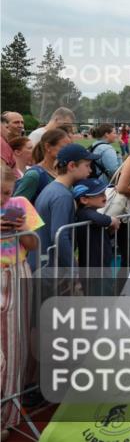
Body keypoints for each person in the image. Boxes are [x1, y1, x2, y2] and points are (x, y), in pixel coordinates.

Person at [1, 163, 43, 438]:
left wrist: (22, 228)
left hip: (16, 274)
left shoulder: (19, 204)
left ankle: (6, 416)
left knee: (15, 348)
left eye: (7, 192)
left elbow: (33, 243)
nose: (5, 199)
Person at [34, 143, 98, 271]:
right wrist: (73, 269)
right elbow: (59, 236)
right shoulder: (63, 196)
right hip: (49, 267)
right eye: (87, 165)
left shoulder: (52, 188)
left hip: (42, 263)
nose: (90, 170)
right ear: (71, 166)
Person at [72, 178, 120, 288]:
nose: (104, 196)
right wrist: (111, 220)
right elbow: (100, 219)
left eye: (104, 193)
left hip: (101, 265)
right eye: (99, 194)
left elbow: (101, 235)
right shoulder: (84, 213)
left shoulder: (93, 213)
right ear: (84, 200)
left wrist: (111, 231)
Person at [13, 128, 72, 204]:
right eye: (64, 147)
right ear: (48, 147)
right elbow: (15, 207)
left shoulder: (64, 171)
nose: (68, 151)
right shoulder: (34, 175)